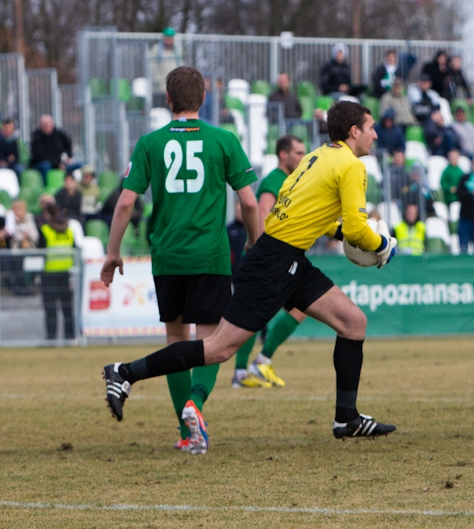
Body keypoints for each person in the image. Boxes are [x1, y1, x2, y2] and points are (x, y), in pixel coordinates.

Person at [102, 101, 398, 447]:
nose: (376, 134)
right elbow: (358, 229)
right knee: (216, 349)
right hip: (275, 262)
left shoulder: (319, 156)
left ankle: (346, 417)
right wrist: (383, 245)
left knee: (353, 322)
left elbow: (317, 219)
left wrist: (351, 236)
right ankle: (124, 372)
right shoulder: (351, 166)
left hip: (286, 258)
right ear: (354, 131)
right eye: (371, 127)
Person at [100, 66, 262, 454]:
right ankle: (197, 405)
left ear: (168, 99)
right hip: (209, 254)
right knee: (211, 341)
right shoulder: (223, 139)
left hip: (168, 255)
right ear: (204, 98)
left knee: (175, 339)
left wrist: (112, 252)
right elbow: (250, 202)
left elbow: (125, 201)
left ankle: (186, 430)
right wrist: (256, 245)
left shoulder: (149, 143)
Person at [231, 135, 307, 389]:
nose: (301, 157)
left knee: (299, 308)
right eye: (297, 153)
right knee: (255, 315)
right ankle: (243, 372)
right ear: (282, 155)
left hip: (280, 257)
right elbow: (262, 213)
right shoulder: (274, 180)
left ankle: (259, 362)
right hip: (268, 258)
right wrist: (262, 252)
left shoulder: (290, 180)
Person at [37, 203, 76, 340]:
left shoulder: (45, 229)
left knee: (50, 309)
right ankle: (70, 337)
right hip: (66, 273)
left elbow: (39, 251)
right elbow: (74, 250)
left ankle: (51, 338)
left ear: (48, 214)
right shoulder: (69, 230)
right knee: (67, 308)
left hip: (49, 273)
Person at [29, 115, 79, 181]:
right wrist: (57, 165)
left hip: (59, 163)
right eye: (44, 124)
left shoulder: (59, 134)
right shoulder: (36, 138)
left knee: (79, 165)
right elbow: (40, 156)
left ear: (52, 124)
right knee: (46, 165)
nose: (46, 125)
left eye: (48, 123)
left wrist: (69, 156)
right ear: (40, 125)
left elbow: (68, 143)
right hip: (42, 164)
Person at [149, 28, 182, 109]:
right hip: (160, 89)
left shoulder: (177, 50)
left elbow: (180, 64)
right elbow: (152, 66)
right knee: (160, 110)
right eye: (167, 38)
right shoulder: (156, 50)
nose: (169, 40)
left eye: (171, 38)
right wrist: (158, 79)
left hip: (174, 88)